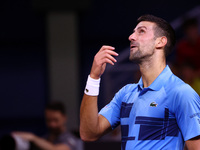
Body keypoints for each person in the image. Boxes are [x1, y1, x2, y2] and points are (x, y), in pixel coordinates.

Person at [80, 14, 200, 150]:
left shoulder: (181, 92)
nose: (131, 37)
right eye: (133, 32)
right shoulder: (125, 94)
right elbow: (88, 133)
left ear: (160, 42)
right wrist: (93, 78)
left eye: (141, 31)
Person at [13, 101, 81, 150]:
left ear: (64, 118)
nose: (52, 124)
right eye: (49, 120)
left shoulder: (71, 139)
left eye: (55, 120)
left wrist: (33, 138)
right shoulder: (44, 139)